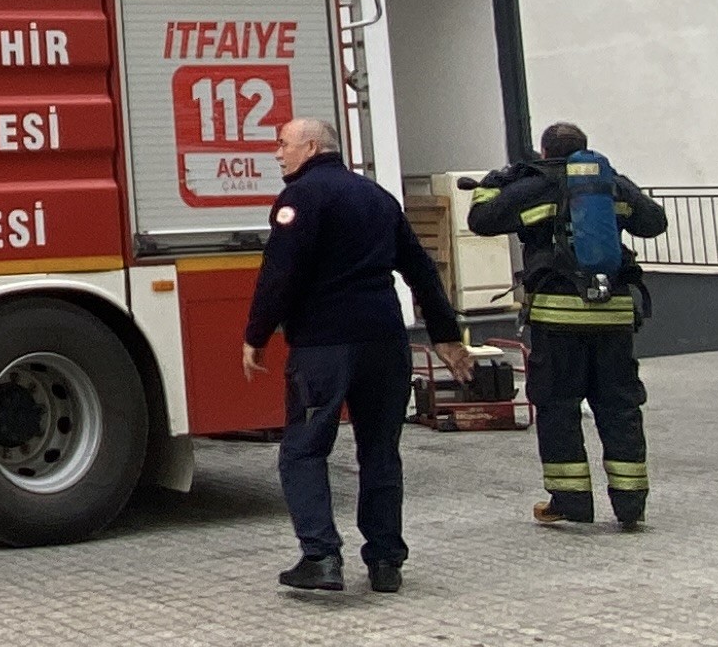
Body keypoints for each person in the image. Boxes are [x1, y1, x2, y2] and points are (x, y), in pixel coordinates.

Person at [244, 118, 471, 594]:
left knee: (304, 449)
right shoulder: (377, 197)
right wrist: (445, 334)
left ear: (310, 147)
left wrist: (257, 334)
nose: (276, 153)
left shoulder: (300, 198)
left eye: (282, 144)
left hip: (325, 346)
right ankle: (386, 561)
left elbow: (279, 274)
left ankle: (321, 557)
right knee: (380, 450)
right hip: (386, 342)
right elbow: (420, 269)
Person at [469, 122, 669, 530]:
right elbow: (654, 223)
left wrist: (494, 182)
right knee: (619, 406)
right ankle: (631, 505)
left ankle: (570, 501)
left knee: (558, 406)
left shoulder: (533, 187)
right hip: (612, 316)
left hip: (557, 319)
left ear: (544, 153)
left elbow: (481, 220)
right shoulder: (610, 183)